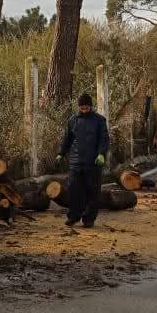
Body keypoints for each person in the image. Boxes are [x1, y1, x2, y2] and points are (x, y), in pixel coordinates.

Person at [56, 93, 110, 228]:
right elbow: (67, 139)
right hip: (76, 162)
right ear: (79, 107)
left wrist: (101, 154)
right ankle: (73, 216)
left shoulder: (99, 120)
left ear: (91, 106)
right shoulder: (72, 120)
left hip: (93, 163)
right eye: (82, 108)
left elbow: (104, 139)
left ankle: (89, 219)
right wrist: (61, 153)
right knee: (74, 191)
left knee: (92, 192)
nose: (84, 110)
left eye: (86, 107)